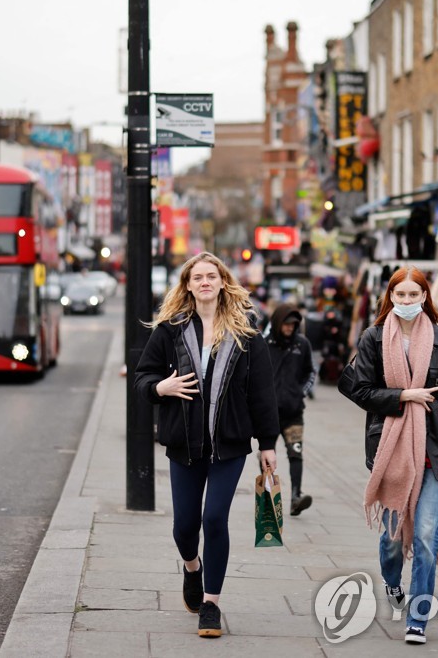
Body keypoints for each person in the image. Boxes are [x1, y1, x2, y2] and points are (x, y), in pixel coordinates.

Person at [134, 251, 280, 639]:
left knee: (214, 518)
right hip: (184, 444)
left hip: (229, 444)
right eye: (197, 277)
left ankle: (211, 604)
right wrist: (160, 387)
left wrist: (268, 443)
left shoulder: (246, 331)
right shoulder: (169, 329)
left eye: (211, 276)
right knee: (185, 526)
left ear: (222, 282)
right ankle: (192, 567)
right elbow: (143, 377)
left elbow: (263, 392)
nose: (204, 282)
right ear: (187, 285)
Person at [348, 266, 438, 645]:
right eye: (400, 296)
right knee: (393, 537)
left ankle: (418, 619)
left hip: (436, 449)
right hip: (391, 445)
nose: (407, 302)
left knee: (428, 535)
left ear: (425, 298)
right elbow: (358, 389)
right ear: (390, 298)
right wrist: (403, 396)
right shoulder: (373, 337)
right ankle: (390, 579)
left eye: (414, 296)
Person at [265, 304, 316, 516]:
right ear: (278, 323)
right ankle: (268, 498)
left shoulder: (302, 344)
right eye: (286, 324)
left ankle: (296, 495)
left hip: (294, 412)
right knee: (268, 456)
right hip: (268, 414)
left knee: (296, 453)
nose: (290, 328)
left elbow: (310, 373)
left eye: (293, 324)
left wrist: (300, 392)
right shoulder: (264, 344)